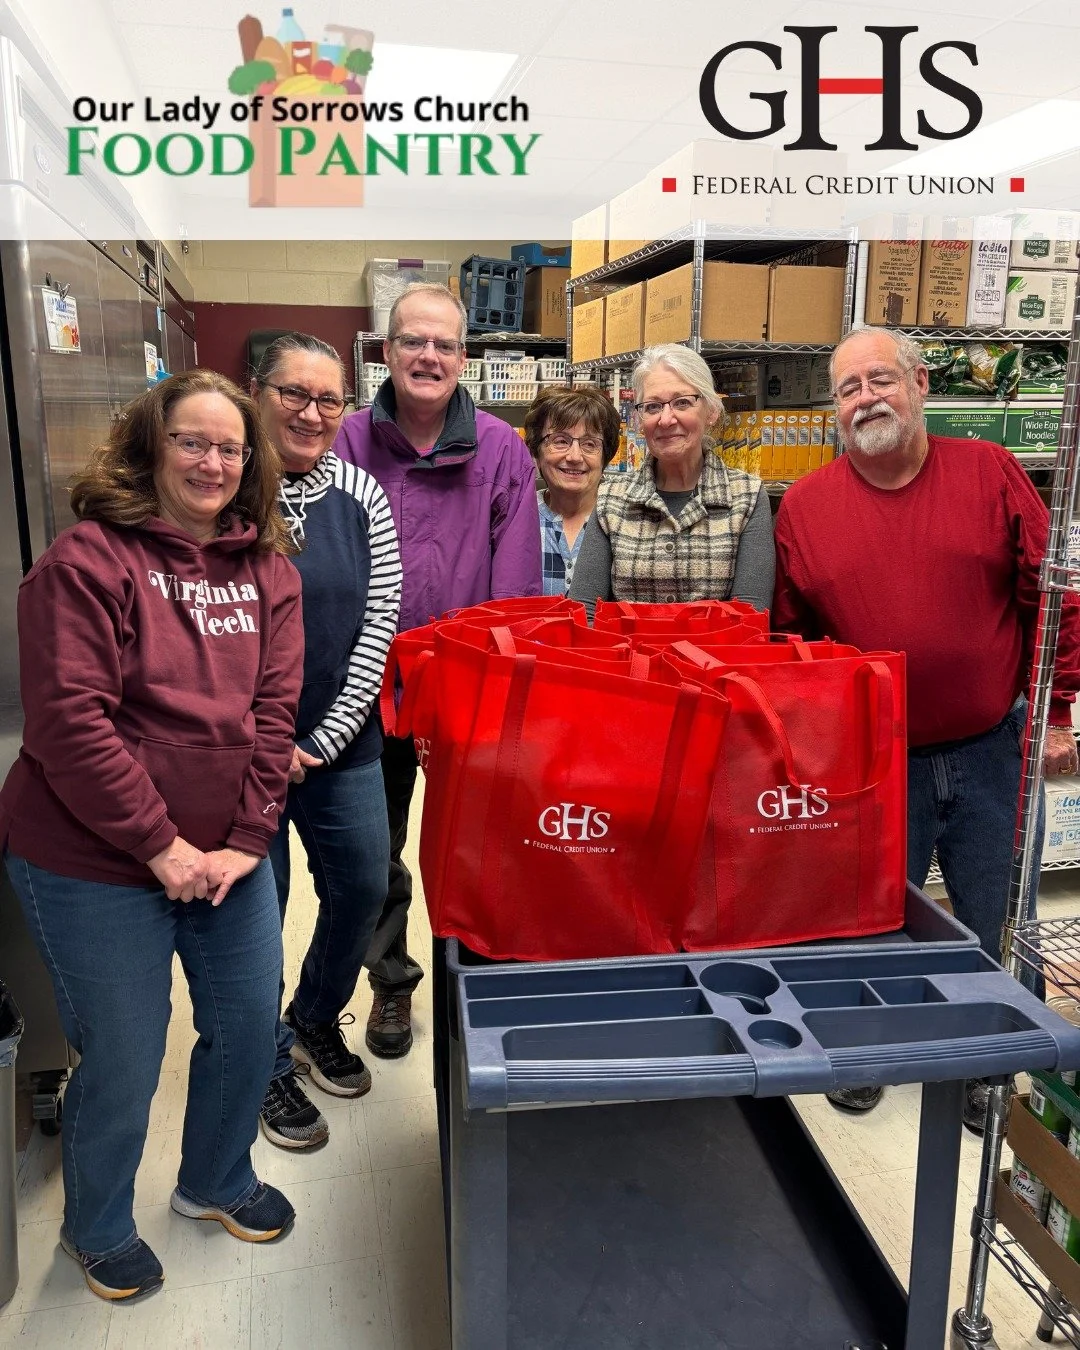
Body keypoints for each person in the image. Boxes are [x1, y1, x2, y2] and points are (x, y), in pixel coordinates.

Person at [0, 372, 303, 1301]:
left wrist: (247, 844)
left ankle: (214, 1179)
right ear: (150, 446)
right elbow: (69, 727)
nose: (214, 463)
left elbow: (274, 709)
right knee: (128, 1053)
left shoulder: (270, 570)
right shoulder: (87, 564)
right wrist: (161, 848)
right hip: (93, 859)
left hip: (228, 858)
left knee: (251, 1026)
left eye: (231, 448)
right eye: (192, 442)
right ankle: (95, 1229)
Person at [772, 326, 1080, 1131]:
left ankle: (989, 1062)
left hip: (992, 747)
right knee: (870, 916)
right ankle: (871, 1049)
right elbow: (792, 639)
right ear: (833, 409)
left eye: (881, 379)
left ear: (919, 385)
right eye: (848, 388)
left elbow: (1054, 597)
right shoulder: (805, 507)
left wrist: (1053, 712)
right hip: (876, 760)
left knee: (995, 912)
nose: (866, 398)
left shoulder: (989, 471)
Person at [334, 282, 542, 1057]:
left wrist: (482, 693)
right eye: (413, 342)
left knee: (477, 847)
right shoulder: (348, 442)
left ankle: (476, 977)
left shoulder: (500, 450)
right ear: (388, 352)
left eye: (445, 345)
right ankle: (390, 984)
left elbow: (515, 589)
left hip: (468, 692)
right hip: (367, 692)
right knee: (373, 852)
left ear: (465, 357)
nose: (429, 356)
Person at [250, 333, 402, 1151]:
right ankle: (264, 1058)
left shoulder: (362, 496)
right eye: (293, 394)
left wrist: (324, 737)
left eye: (328, 398)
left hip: (341, 747)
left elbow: (379, 621)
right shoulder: (224, 489)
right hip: (240, 759)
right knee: (255, 913)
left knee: (361, 887)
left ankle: (313, 1017)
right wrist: (264, 744)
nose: (311, 413)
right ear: (257, 392)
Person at [569, 345, 774, 615]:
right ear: (639, 420)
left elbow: (750, 616)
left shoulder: (745, 496)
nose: (666, 419)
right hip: (626, 656)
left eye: (682, 403)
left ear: (711, 411)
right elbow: (584, 610)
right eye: (652, 407)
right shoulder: (612, 497)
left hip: (713, 657)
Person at [523, 385, 621, 596]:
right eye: (560, 441)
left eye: (589, 444)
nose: (575, 457)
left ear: (606, 455)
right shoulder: (518, 518)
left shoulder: (622, 520)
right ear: (536, 451)